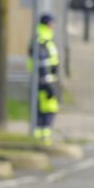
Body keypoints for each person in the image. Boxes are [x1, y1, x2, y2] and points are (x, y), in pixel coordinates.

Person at [28, 12, 61, 143]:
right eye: (52, 23)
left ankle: (40, 137)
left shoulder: (44, 38)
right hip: (44, 82)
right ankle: (43, 138)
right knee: (47, 109)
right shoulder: (43, 40)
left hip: (44, 81)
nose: (54, 26)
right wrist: (47, 84)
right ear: (47, 24)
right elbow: (42, 64)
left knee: (42, 108)